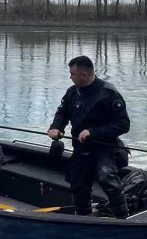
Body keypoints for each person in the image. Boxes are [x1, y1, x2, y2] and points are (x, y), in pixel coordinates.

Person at [47, 55, 131, 219]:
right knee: (78, 183)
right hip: (81, 148)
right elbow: (62, 113)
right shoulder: (72, 92)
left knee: (107, 177)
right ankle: (83, 216)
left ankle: (123, 217)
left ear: (84, 75)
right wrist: (56, 127)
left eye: (72, 74)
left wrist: (94, 132)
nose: (70, 77)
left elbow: (123, 124)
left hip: (104, 147)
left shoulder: (108, 94)